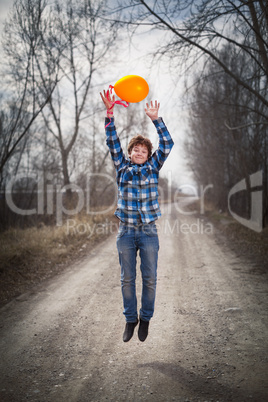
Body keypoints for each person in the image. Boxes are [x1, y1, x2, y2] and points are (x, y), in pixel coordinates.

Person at [100, 89, 174, 342]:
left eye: (144, 150)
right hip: (126, 232)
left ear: (148, 154)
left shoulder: (154, 166)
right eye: (136, 150)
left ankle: (146, 318)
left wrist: (156, 119)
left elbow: (168, 144)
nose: (140, 153)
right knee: (127, 279)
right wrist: (110, 113)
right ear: (130, 152)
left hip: (149, 232)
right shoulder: (122, 167)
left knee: (150, 279)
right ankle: (130, 319)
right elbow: (111, 140)